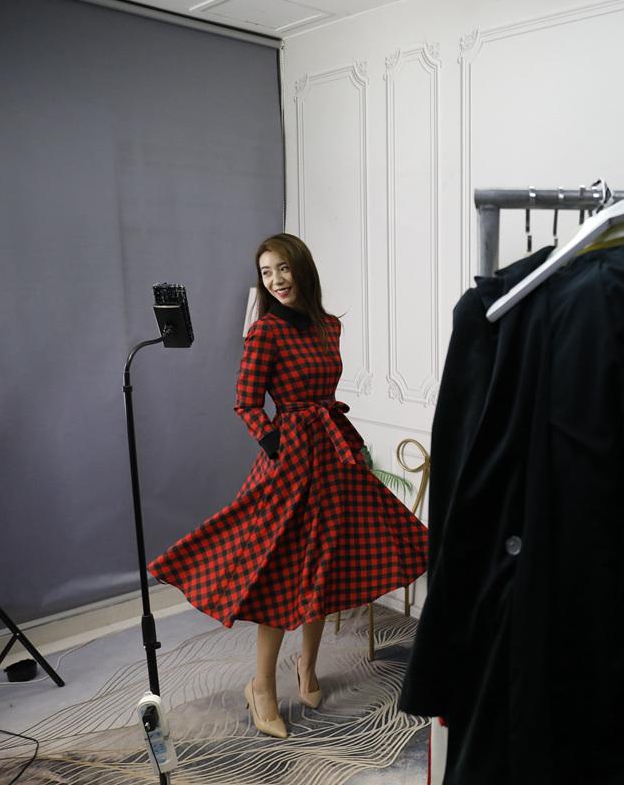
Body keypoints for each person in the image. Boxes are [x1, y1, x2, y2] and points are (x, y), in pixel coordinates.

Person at [148, 233, 428, 739]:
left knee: (325, 568)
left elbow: (327, 391)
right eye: (266, 272)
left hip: (331, 454)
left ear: (302, 268)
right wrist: (276, 443)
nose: (275, 280)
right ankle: (261, 686)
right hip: (291, 461)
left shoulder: (329, 326)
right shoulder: (265, 332)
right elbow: (246, 401)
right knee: (280, 574)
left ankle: (307, 668)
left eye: (282, 268)